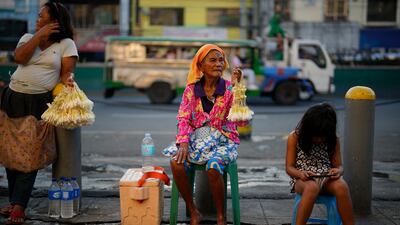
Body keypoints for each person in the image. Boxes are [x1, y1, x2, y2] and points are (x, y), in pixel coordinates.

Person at [0, 1, 77, 224]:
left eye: (41, 17)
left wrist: (69, 84)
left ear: (54, 21)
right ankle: (15, 202)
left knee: (30, 153)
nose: (36, 20)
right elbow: (20, 58)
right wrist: (38, 34)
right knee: (11, 151)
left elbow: (66, 74)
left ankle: (20, 206)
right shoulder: (27, 38)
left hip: (38, 102)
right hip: (12, 97)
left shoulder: (66, 44)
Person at [162, 44, 247, 225]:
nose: (218, 64)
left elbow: (241, 120)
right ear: (200, 66)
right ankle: (194, 211)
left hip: (223, 141)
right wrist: (183, 142)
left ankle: (221, 217)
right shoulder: (191, 90)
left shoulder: (229, 88)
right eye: (213, 60)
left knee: (213, 165)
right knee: (176, 162)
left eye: (221, 60)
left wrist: (236, 87)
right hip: (197, 139)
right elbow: (183, 118)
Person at [285, 103, 355, 225]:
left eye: (322, 137)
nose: (319, 140)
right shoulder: (294, 137)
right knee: (312, 187)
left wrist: (338, 171)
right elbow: (289, 168)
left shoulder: (333, 139)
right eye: (315, 136)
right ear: (307, 129)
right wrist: (300, 174)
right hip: (302, 180)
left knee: (342, 186)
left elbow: (339, 166)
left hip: (326, 179)